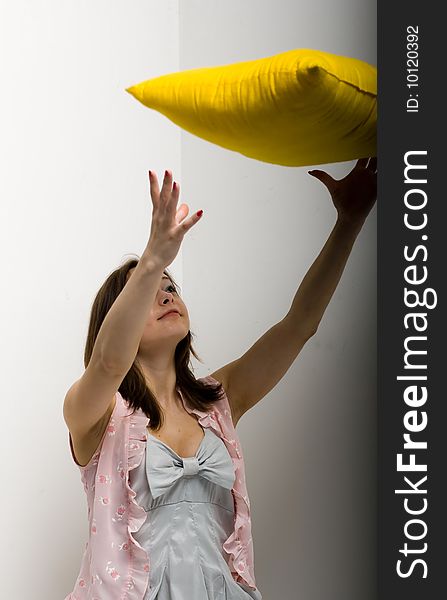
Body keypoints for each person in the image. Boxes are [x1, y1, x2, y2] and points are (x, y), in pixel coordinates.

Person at [63, 159, 377, 599]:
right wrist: (153, 259)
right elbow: (108, 365)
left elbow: (299, 325)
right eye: (149, 294)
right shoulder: (93, 412)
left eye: (170, 287)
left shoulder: (217, 400)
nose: (167, 295)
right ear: (117, 322)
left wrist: (349, 222)